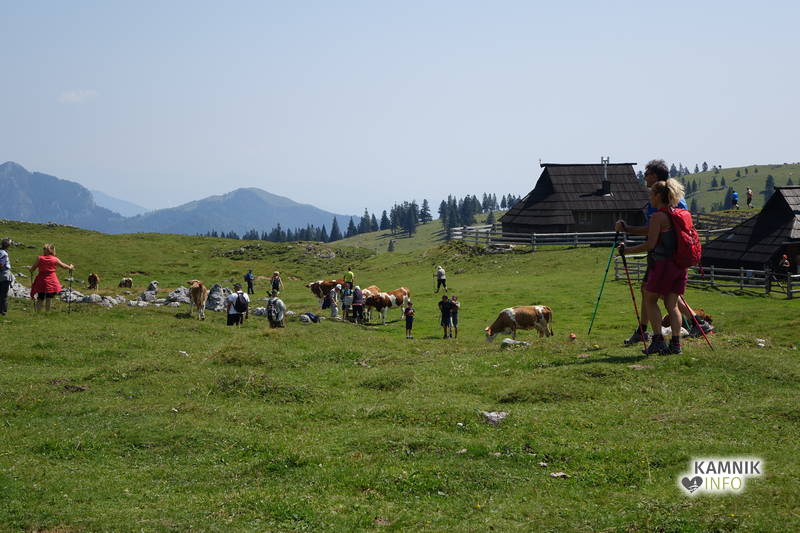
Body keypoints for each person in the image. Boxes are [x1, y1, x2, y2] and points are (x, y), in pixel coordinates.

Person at [615, 160, 713, 343]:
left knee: (656, 294)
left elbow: (653, 230)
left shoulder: (660, 202)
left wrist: (627, 230)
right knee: (662, 295)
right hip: (674, 256)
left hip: (662, 256)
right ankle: (687, 328)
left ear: (654, 176)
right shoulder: (675, 197)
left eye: (646, 174)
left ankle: (654, 333)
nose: (644, 177)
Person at [618, 179, 687, 355]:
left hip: (663, 265)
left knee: (650, 300)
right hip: (679, 265)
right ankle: (675, 345)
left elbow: (650, 244)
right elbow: (652, 231)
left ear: (658, 196)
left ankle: (658, 341)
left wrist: (627, 251)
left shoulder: (658, 216)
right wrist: (628, 229)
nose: (649, 198)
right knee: (672, 305)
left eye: (651, 194)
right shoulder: (677, 213)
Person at [29, 243, 74, 312]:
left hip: (41, 280)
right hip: (52, 280)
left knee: (40, 297)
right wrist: (70, 267)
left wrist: (30, 270)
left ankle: (38, 313)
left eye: (44, 249)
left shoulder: (40, 258)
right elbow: (63, 266)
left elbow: (33, 268)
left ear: (46, 250)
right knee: (49, 297)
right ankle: (47, 313)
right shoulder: (54, 259)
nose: (43, 251)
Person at [0, 238, 12, 316]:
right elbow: (1, 264)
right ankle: (3, 311)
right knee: (3, 294)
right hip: (4, 276)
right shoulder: (4, 253)